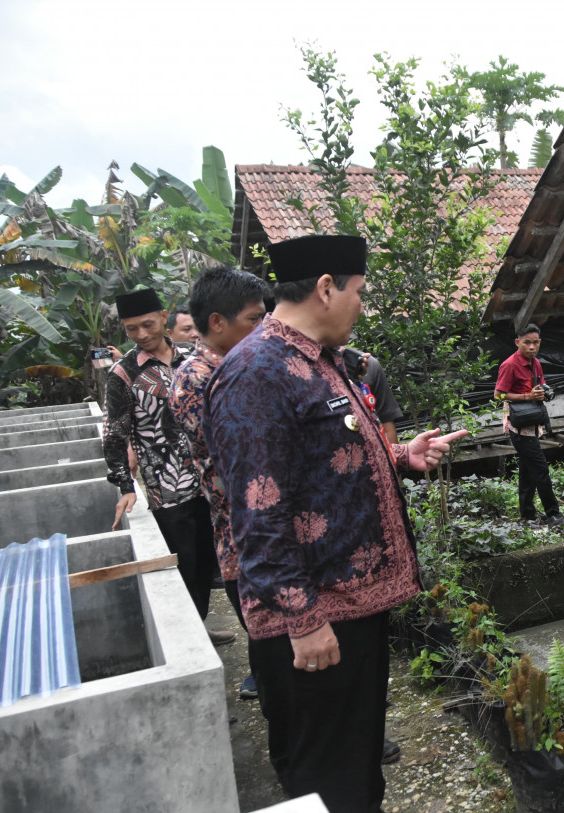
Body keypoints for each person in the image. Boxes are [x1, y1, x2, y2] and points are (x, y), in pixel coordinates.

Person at [203, 234, 466, 813]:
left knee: (354, 765)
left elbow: (320, 460)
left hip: (351, 608)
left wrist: (402, 456)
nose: (362, 306)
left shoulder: (319, 361)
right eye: (360, 293)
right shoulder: (258, 372)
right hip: (317, 622)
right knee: (328, 780)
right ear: (327, 288)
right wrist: (302, 618)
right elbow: (258, 509)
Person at [103, 288, 233, 646]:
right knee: (185, 564)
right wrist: (126, 487)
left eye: (147, 324)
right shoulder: (123, 374)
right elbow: (115, 434)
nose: (142, 334)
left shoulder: (195, 357)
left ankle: (198, 626)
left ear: (163, 317)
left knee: (211, 561)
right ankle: (189, 639)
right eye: (132, 330)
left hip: (212, 478)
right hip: (167, 488)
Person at [169, 267, 268, 698]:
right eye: (253, 318)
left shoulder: (244, 361)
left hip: (269, 524)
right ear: (217, 322)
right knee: (275, 645)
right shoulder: (196, 379)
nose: (263, 327)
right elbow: (233, 463)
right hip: (245, 531)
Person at [494, 323, 564, 527]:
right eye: (527, 343)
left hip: (533, 422)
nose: (531, 347)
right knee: (540, 470)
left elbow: (540, 385)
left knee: (527, 472)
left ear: (539, 343)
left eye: (535, 343)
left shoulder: (536, 363)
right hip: (518, 426)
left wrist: (545, 391)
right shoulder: (509, 364)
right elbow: (498, 395)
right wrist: (527, 396)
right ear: (517, 342)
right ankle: (553, 515)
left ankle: (527, 516)